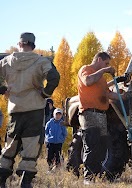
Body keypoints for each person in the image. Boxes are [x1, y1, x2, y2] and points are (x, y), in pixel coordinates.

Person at [0, 32, 60, 188]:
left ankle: (1, 180)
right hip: (34, 109)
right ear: (33, 45)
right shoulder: (41, 61)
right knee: (31, 146)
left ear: (19, 44)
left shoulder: (6, 61)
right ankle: (25, 182)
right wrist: (45, 93)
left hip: (14, 109)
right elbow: (54, 77)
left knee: (10, 145)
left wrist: (3, 90)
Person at [77, 52, 125, 185]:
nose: (107, 66)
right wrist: (104, 70)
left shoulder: (101, 79)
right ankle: (88, 178)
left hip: (101, 114)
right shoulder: (86, 69)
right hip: (89, 114)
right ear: (98, 59)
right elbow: (87, 81)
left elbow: (108, 94)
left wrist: (126, 96)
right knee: (92, 144)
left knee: (102, 146)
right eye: (106, 63)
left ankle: (96, 176)